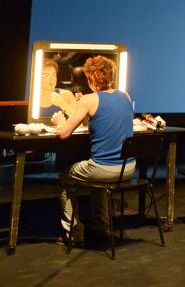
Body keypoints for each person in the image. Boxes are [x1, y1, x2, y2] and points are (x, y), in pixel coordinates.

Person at [51, 56, 133, 246]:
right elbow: (102, 119)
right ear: (111, 76)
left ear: (90, 78)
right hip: (127, 168)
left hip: (103, 169)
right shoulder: (125, 95)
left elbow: (63, 133)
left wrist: (58, 121)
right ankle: (101, 226)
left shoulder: (89, 99)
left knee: (64, 180)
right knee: (98, 182)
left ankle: (74, 232)